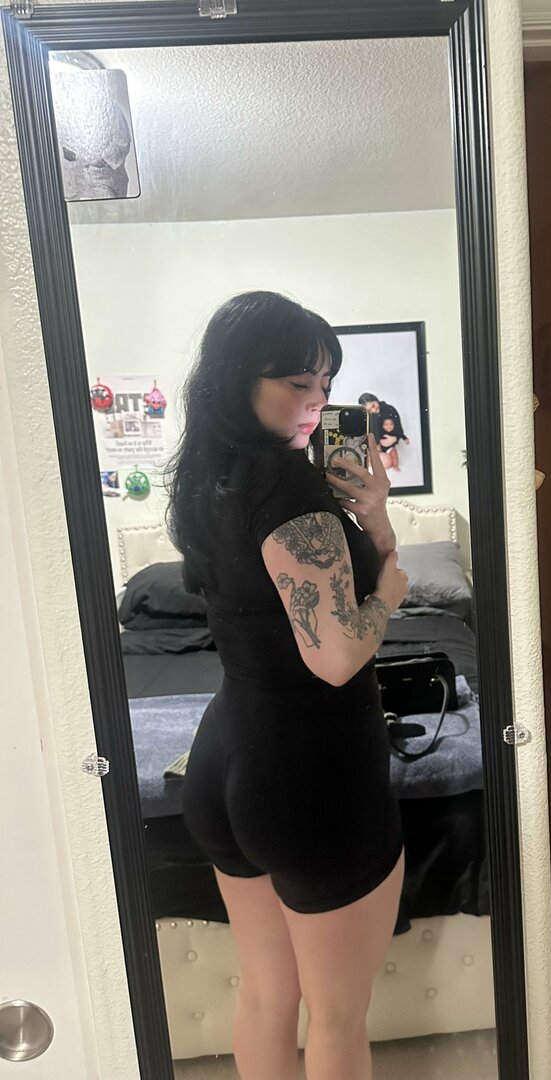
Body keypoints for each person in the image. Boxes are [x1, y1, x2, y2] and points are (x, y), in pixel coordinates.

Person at [167, 291, 409, 1080]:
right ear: (239, 377)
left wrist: (374, 517)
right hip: (311, 777)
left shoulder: (209, 477)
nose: (314, 404)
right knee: (336, 1016)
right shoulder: (291, 490)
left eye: (325, 385)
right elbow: (335, 657)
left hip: (226, 757)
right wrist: (389, 597)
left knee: (269, 994)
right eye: (296, 383)